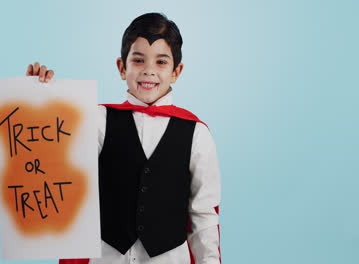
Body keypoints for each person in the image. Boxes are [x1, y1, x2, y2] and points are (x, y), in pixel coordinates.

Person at [26, 12, 221, 264]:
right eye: (138, 60)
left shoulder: (197, 133)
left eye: (161, 62)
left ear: (176, 71)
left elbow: (204, 214)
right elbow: (53, 163)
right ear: (122, 67)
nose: (149, 71)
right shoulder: (96, 120)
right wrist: (34, 97)